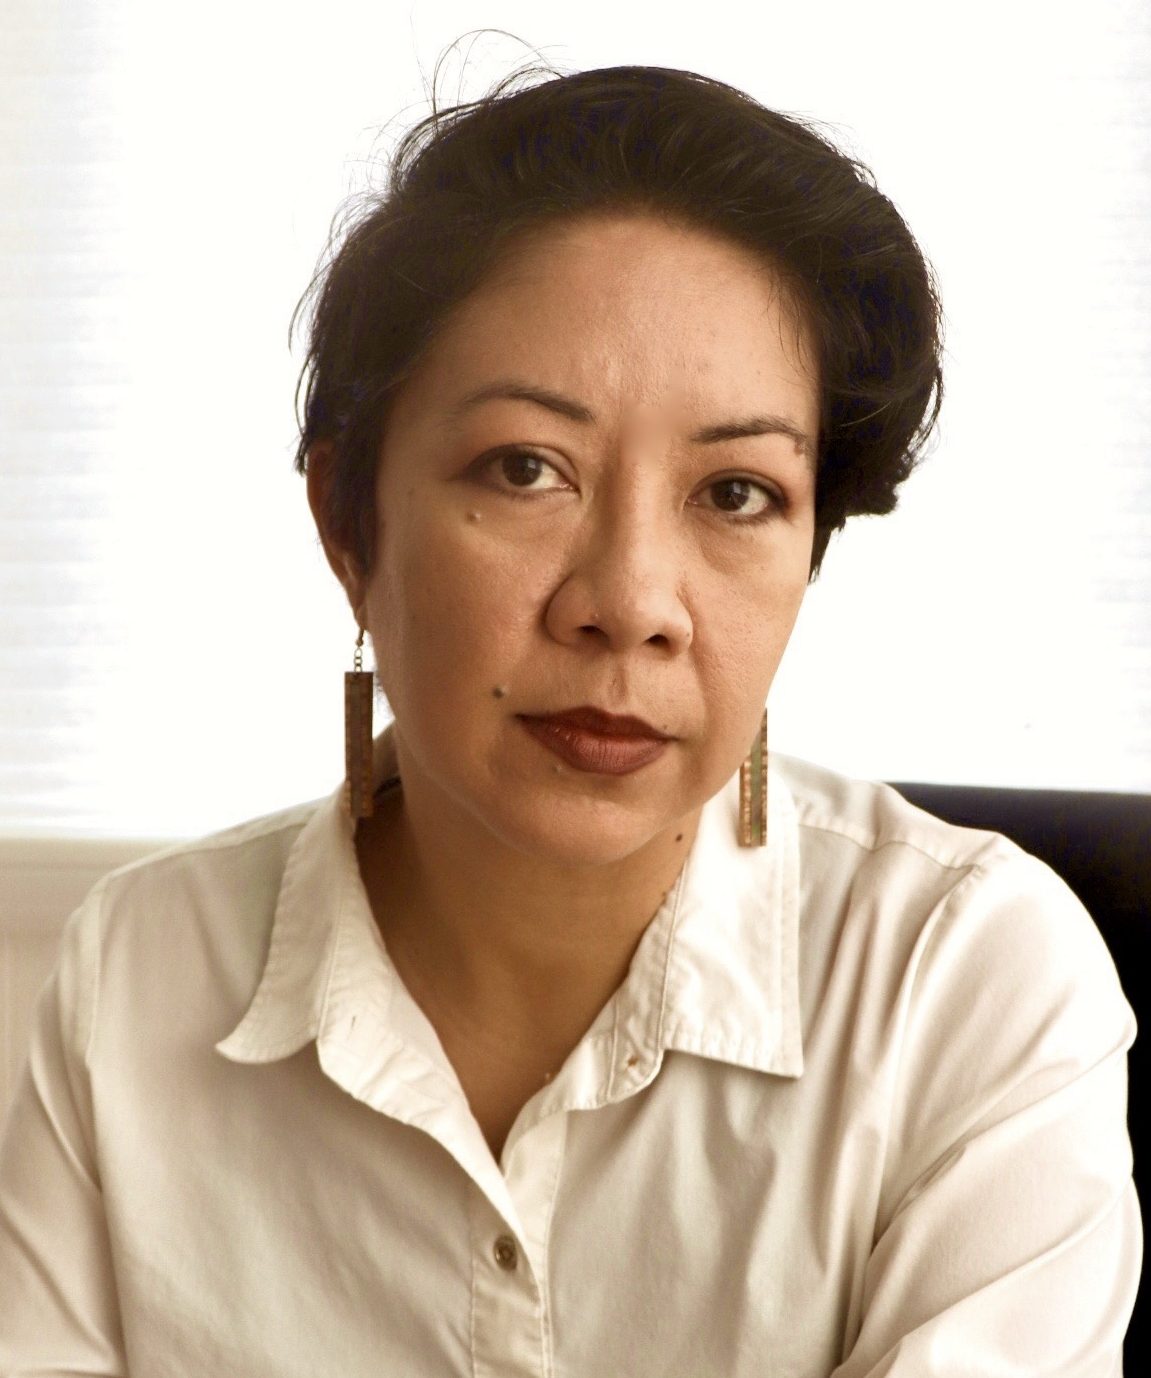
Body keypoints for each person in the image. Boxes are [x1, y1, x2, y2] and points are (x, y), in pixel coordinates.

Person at [0, 49, 1140, 1376]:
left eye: (737, 494)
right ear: (346, 525)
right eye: (526, 467)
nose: (631, 603)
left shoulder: (967, 985)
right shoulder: (136, 979)